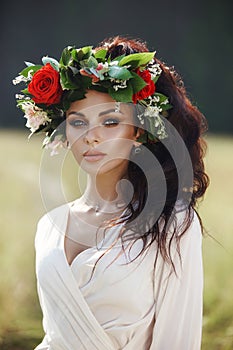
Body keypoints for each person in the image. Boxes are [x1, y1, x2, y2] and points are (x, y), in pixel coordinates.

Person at [13, 36, 209, 349]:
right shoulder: (49, 225)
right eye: (78, 122)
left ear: (138, 131)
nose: (92, 138)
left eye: (110, 121)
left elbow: (178, 339)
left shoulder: (171, 224)